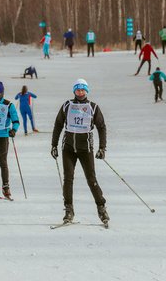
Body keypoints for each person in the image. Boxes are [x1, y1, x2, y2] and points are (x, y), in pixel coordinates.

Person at [51, 79, 109, 225]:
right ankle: (69, 210)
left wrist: (102, 148)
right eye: (78, 90)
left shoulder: (93, 107)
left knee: (91, 179)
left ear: (87, 91)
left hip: (86, 149)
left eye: (83, 90)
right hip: (68, 148)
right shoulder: (67, 105)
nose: (80, 92)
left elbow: (101, 127)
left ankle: (101, 207)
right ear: (74, 91)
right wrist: (54, 145)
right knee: (68, 179)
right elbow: (58, 125)